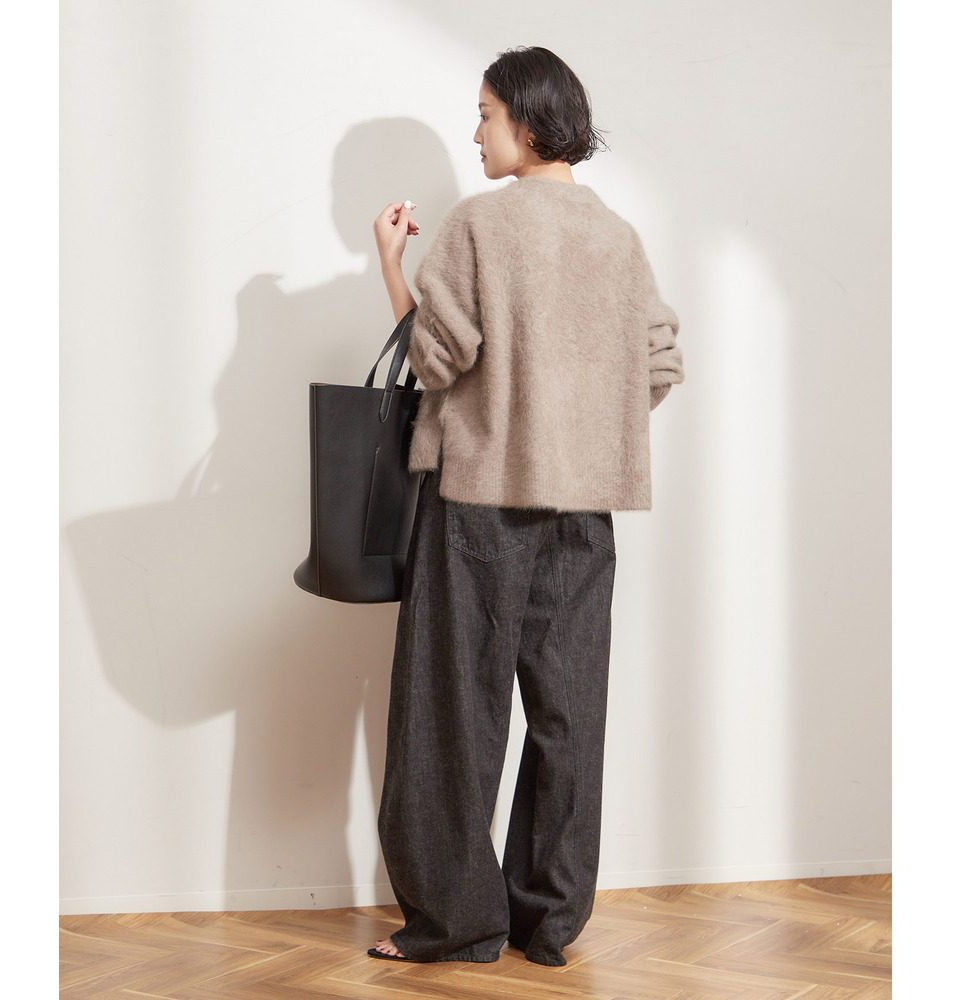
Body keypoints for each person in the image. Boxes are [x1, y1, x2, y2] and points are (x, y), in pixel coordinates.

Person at [368, 45, 683, 967]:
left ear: (528, 121)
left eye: (485, 114)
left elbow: (436, 360)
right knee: (568, 716)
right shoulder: (618, 238)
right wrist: (583, 426)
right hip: (585, 513)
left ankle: (458, 923)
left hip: (479, 506)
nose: (475, 134)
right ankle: (547, 921)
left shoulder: (480, 226)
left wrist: (391, 264)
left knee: (451, 714)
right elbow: (660, 365)